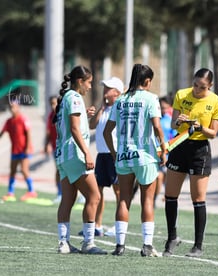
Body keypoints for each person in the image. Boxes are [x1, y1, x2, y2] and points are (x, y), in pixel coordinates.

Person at [103, 64, 167, 257]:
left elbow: (107, 132)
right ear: (147, 81)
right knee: (147, 200)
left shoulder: (120, 100)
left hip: (123, 156)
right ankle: (147, 245)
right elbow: (156, 127)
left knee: (124, 199)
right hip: (144, 156)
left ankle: (119, 245)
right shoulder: (150, 98)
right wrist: (163, 147)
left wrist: (115, 154)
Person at [163, 68, 218, 257]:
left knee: (197, 198)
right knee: (170, 195)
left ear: (210, 86)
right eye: (195, 85)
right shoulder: (182, 95)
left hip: (200, 150)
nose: (197, 90)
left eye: (202, 87)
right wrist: (180, 121)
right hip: (180, 145)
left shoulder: (216, 102)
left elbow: (213, 133)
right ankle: (172, 238)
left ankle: (198, 245)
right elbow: (173, 124)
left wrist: (200, 127)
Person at [54, 65, 106, 254]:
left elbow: (73, 125)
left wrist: (86, 114)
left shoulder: (67, 98)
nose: (90, 87)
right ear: (80, 82)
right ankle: (88, 243)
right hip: (74, 154)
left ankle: (63, 243)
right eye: (89, 82)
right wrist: (86, 152)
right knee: (94, 196)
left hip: (62, 156)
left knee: (68, 199)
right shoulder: (75, 98)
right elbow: (75, 129)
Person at [88, 76, 124, 237]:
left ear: (117, 92)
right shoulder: (104, 108)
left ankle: (119, 225)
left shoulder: (121, 108)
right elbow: (91, 126)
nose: (105, 90)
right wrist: (101, 108)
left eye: (108, 88)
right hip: (102, 155)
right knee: (98, 191)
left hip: (114, 154)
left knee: (118, 192)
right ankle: (97, 225)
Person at [0, 101, 37, 202]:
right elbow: (1, 133)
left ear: (18, 108)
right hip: (15, 150)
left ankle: (31, 191)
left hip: (24, 149)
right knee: (12, 171)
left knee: (24, 170)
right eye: (10, 107)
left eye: (13, 107)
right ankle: (10, 192)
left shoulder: (23, 119)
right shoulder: (9, 121)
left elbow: (28, 133)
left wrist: (27, 148)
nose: (12, 109)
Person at [155, 96, 177, 207]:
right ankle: (156, 197)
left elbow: (174, 137)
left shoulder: (170, 121)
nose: (163, 110)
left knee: (167, 178)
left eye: (165, 107)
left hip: (168, 154)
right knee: (159, 177)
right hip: (156, 154)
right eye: (161, 107)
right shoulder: (155, 120)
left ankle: (166, 196)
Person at [44, 96, 62, 204]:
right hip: (56, 147)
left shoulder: (63, 114)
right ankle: (60, 193)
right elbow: (48, 132)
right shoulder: (51, 116)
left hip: (65, 146)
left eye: (54, 103)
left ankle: (81, 194)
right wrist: (47, 145)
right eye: (51, 103)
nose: (53, 106)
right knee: (59, 171)